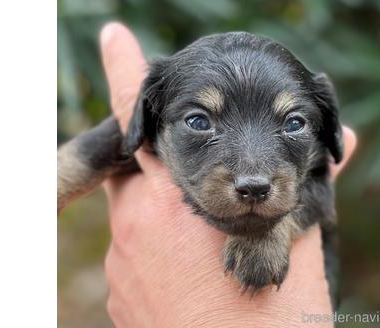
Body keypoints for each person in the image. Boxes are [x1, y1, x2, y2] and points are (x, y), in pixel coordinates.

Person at [100, 22, 357, 327]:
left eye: (293, 124)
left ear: (326, 131)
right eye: (198, 121)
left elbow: (318, 190)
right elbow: (98, 150)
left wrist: (271, 230)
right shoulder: (149, 128)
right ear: (148, 119)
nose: (253, 176)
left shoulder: (312, 170)